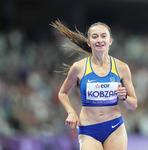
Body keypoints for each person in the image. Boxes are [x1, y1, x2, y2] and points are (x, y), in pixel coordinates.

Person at [51, 20, 138, 150]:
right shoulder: (78, 67)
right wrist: (71, 112)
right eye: (95, 36)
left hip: (115, 128)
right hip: (89, 130)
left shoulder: (122, 68)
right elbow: (62, 93)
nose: (99, 40)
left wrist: (124, 97)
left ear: (110, 41)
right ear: (89, 42)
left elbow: (133, 104)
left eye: (103, 36)